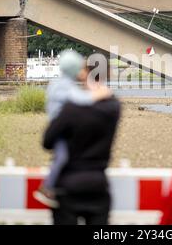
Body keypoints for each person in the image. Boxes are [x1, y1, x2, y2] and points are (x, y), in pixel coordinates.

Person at [43, 68, 120, 225]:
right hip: (98, 183)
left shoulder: (71, 109)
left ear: (83, 74)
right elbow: (107, 98)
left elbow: (47, 141)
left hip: (68, 185)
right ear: (107, 75)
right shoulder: (113, 108)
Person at [34, 50, 111, 208]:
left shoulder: (58, 84)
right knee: (62, 157)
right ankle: (46, 187)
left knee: (62, 156)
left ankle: (52, 185)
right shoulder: (64, 87)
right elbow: (79, 99)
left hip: (59, 128)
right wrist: (99, 94)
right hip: (60, 131)